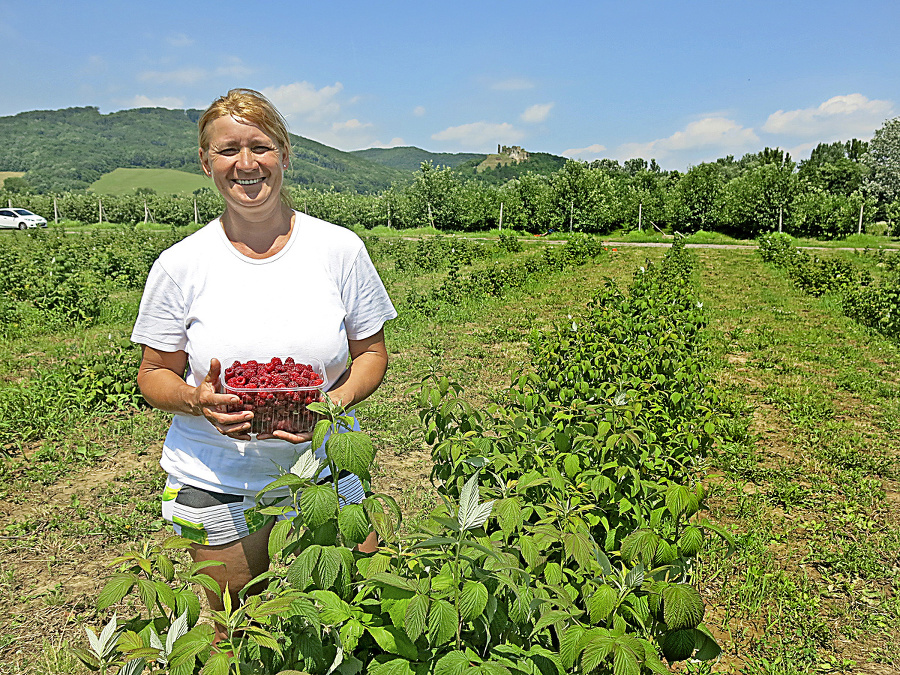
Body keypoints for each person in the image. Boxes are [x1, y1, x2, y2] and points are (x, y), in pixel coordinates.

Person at [131, 88, 397, 643]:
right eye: (228, 150)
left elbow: (370, 354)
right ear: (206, 162)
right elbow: (153, 373)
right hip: (215, 472)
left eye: (260, 147)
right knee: (239, 625)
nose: (246, 164)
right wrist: (197, 401)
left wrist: (332, 403)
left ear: (285, 153)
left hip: (326, 466)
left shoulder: (338, 250)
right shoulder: (181, 264)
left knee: (361, 601)